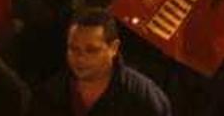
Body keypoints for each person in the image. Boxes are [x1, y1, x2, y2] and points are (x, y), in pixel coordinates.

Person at [31, 8, 172, 116]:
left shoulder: (142, 98)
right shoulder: (50, 95)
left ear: (114, 48)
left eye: (91, 50)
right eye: (74, 49)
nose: (80, 58)